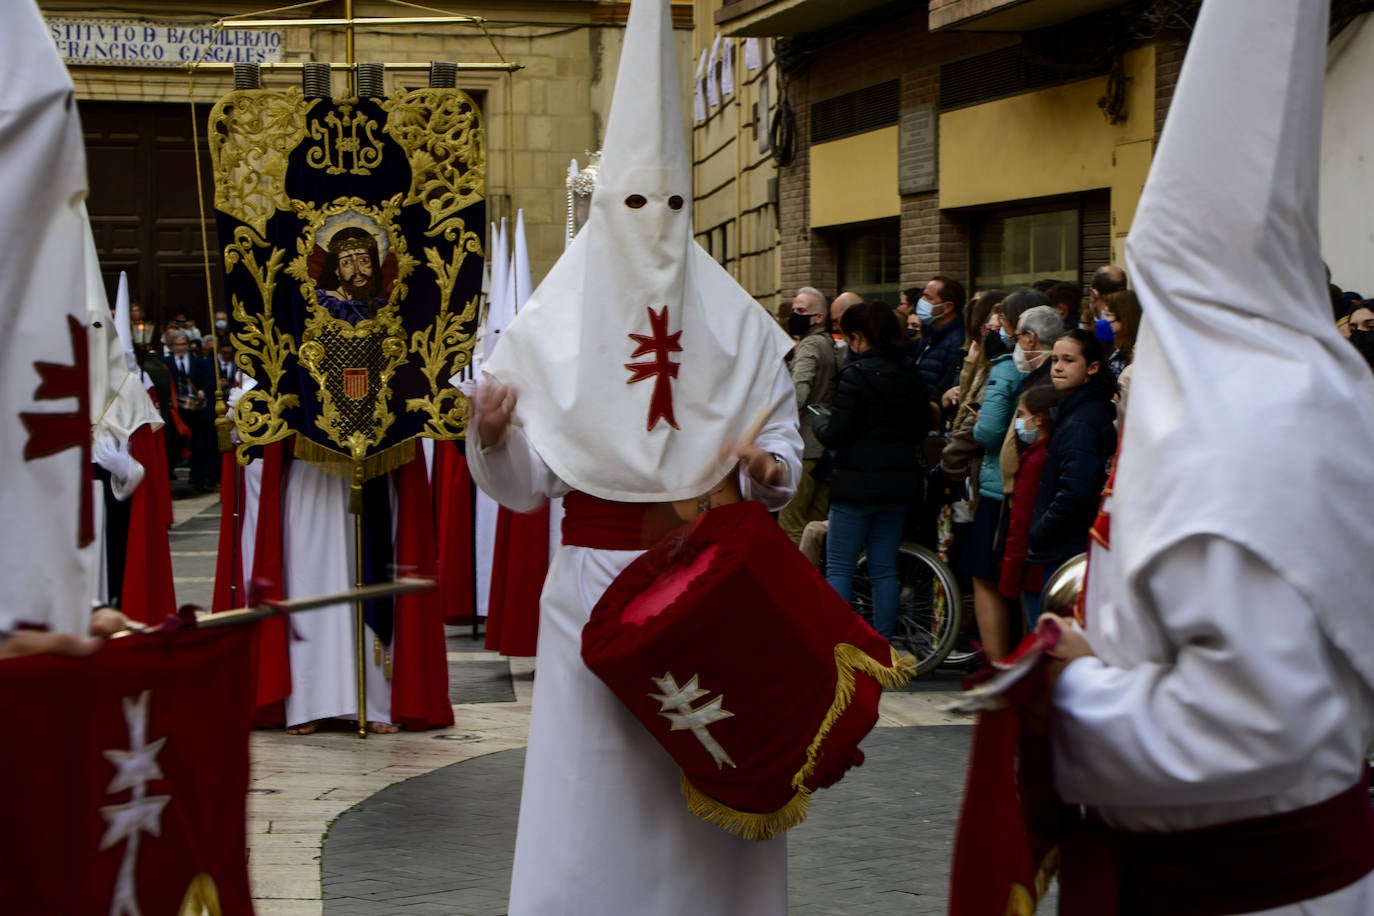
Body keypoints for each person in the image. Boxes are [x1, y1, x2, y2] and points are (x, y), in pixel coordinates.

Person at [466, 0, 803, 910]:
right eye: (636, 203)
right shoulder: (545, 330)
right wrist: (492, 438)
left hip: (708, 580)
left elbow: (781, 450)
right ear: (608, 204)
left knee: (704, 768)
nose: (656, 223)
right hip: (590, 590)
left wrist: (769, 474)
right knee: (599, 789)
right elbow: (527, 488)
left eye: (674, 205)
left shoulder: (738, 322)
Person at [1038, 1, 1374, 910]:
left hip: (1246, 884)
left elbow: (1253, 719)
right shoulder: (1310, 390)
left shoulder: (1244, 428)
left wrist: (1065, 692)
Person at [814, 300, 929, 639]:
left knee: (840, 567)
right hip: (898, 484)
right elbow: (921, 426)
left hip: (855, 484)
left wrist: (820, 426)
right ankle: (881, 646)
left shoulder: (856, 376)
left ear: (860, 337)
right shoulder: (911, 371)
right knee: (883, 569)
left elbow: (837, 434)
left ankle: (839, 645)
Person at [1025, 329, 1117, 588]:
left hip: (1067, 548)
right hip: (1067, 545)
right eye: (1054, 360)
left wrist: (1040, 530)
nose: (1058, 368)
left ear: (1093, 367)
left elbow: (1075, 491)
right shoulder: (1076, 411)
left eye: (1068, 360)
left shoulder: (1082, 420)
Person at [996, 384, 1062, 628]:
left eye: (1022, 415)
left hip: (1034, 567)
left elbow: (1021, 520)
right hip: (1046, 564)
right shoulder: (1051, 454)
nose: (1019, 422)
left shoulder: (1034, 462)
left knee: (1038, 631)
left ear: (1039, 419)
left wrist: (1009, 576)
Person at [780, 286, 840, 543]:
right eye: (794, 309)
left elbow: (798, 393)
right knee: (817, 524)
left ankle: (797, 578)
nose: (795, 315)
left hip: (805, 444)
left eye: (801, 310)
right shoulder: (831, 345)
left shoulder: (809, 346)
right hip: (826, 444)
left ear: (819, 317)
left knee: (791, 522)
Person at [163, 329, 218, 491]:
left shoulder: (198, 362)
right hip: (174, 410)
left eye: (183, 344)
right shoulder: (165, 362)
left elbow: (209, 381)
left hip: (194, 410)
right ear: (171, 346)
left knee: (197, 444)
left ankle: (198, 477)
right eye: (177, 345)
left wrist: (203, 390)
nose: (180, 347)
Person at [316, 227, 387, 323]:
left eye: (364, 260)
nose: (357, 271)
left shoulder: (381, 306)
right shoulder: (324, 303)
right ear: (336, 270)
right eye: (346, 262)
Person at [914, 275, 966, 397]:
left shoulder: (957, 342)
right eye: (923, 295)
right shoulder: (929, 334)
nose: (921, 301)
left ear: (947, 307)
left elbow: (946, 387)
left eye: (928, 297)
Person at [1098, 288, 1141, 379]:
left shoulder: (1135, 359)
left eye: (1108, 314)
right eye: (1103, 314)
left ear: (1125, 320)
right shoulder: (1111, 351)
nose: (1103, 320)